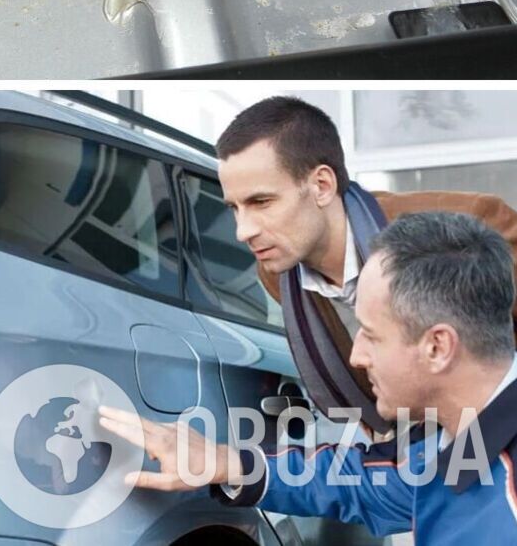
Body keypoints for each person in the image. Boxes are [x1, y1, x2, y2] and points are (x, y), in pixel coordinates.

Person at [99, 212, 517, 543]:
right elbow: (365, 484)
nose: (356, 356)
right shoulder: (461, 445)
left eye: (372, 336)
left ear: (437, 347)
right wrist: (231, 463)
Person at [215, 96, 517, 432]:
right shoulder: (278, 274)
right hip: (412, 460)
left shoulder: (463, 228)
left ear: (322, 186)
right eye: (234, 208)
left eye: (261, 202)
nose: (243, 231)